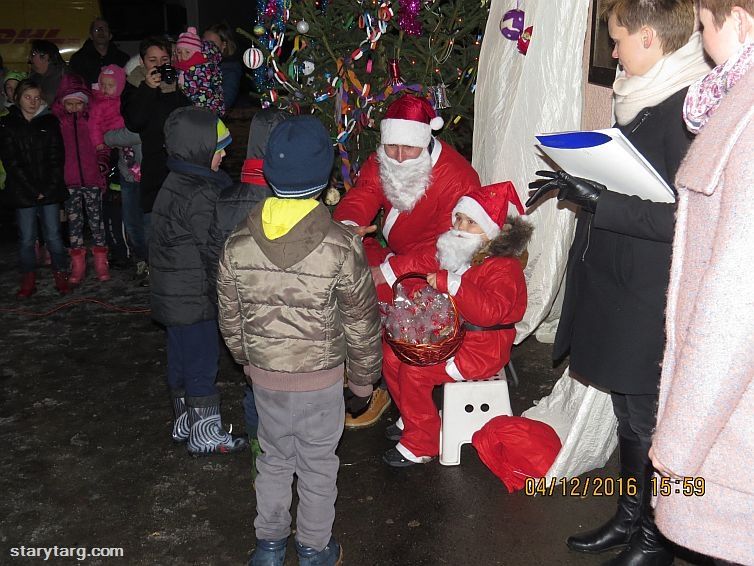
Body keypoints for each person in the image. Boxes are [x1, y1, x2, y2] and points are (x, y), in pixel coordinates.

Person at [525, 1, 710, 564]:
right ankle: (632, 517)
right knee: (631, 414)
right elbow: (637, 178)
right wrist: (578, 175)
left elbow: (686, 217)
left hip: (652, 293)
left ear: (650, 39)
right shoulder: (645, 93)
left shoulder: (688, 109)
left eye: (618, 39)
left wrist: (601, 203)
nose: (612, 52)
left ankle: (659, 536)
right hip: (623, 286)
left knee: (652, 418)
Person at [216, 115, 382, 566]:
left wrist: (247, 361)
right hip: (320, 381)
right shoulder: (340, 246)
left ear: (269, 172)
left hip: (266, 378)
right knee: (316, 466)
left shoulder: (237, 245)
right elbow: (362, 321)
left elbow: (229, 317)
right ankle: (312, 549)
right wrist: (364, 382)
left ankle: (268, 548)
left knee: (272, 459)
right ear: (325, 175)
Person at [648, 2, 754, 564]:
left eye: (704, 25)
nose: (701, 38)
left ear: (739, 21)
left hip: (732, 427)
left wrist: (680, 442)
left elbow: (740, 301)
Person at [333, 93, 481, 429]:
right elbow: (364, 192)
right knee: (349, 263)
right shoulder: (382, 159)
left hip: (438, 269)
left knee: (376, 295)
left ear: (426, 140)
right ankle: (364, 370)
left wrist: (387, 272)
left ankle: (379, 384)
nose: (398, 157)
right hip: (398, 256)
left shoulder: (458, 177)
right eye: (392, 148)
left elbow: (452, 246)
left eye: (408, 149)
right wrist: (349, 225)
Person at [381, 182, 531, 467]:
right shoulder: (464, 255)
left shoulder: (504, 268)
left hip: (479, 350)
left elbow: (489, 312)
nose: (461, 226)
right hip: (452, 338)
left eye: (472, 222)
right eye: (459, 219)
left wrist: (454, 285)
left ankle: (421, 443)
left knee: (415, 371)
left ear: (492, 231)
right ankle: (416, 419)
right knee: (392, 357)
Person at [149, 106, 247, 456]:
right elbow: (213, 247)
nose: (224, 154)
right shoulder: (201, 192)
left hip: (174, 296)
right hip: (194, 298)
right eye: (218, 147)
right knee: (202, 362)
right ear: (198, 149)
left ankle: (185, 422)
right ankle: (206, 434)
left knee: (181, 358)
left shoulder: (176, 181)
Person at [207, 109, 290, 481]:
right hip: (280, 317)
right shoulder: (282, 203)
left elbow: (214, 256)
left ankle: (261, 449)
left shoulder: (226, 197)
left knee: (254, 385)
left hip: (240, 315)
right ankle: (283, 451)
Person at [121, 36, 190, 257]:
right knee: (153, 221)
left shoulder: (175, 83)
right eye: (152, 60)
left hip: (178, 165)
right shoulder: (133, 86)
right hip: (153, 165)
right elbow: (135, 121)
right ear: (142, 62)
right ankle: (153, 266)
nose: (159, 64)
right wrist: (148, 88)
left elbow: (188, 117)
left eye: (164, 59)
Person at [0, 79, 69, 297]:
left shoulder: (50, 122)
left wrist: (47, 188)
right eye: (27, 97)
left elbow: (57, 158)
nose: (32, 102)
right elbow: (11, 162)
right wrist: (32, 190)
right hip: (23, 191)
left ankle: (61, 273)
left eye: (36, 98)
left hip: (49, 190)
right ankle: (28, 277)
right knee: (27, 238)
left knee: (54, 236)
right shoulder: (8, 124)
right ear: (18, 98)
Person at [52, 73, 110, 286]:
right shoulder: (59, 123)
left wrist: (102, 165)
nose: (75, 107)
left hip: (92, 179)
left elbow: (102, 145)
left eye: (79, 103)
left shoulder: (91, 120)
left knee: (96, 222)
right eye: (70, 103)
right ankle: (78, 263)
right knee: (74, 223)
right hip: (70, 182)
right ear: (63, 103)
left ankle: (101, 261)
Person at [174, 27, 224, 116]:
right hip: (188, 109)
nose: (182, 55)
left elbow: (208, 90)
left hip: (207, 109)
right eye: (179, 52)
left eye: (187, 52)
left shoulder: (204, 68)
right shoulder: (179, 67)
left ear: (196, 53)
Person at [68, 17, 130, 87]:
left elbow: (128, 87)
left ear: (110, 36)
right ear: (91, 36)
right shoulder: (78, 59)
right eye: (97, 29)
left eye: (104, 29)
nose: (101, 32)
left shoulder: (123, 59)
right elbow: (74, 86)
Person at [203, 23, 243, 110]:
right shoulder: (201, 65)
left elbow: (225, 102)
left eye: (212, 43)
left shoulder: (230, 69)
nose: (206, 48)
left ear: (223, 45)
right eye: (203, 43)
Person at [28, 40, 66, 107]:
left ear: (45, 57)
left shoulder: (63, 76)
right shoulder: (33, 77)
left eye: (33, 54)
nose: (30, 58)